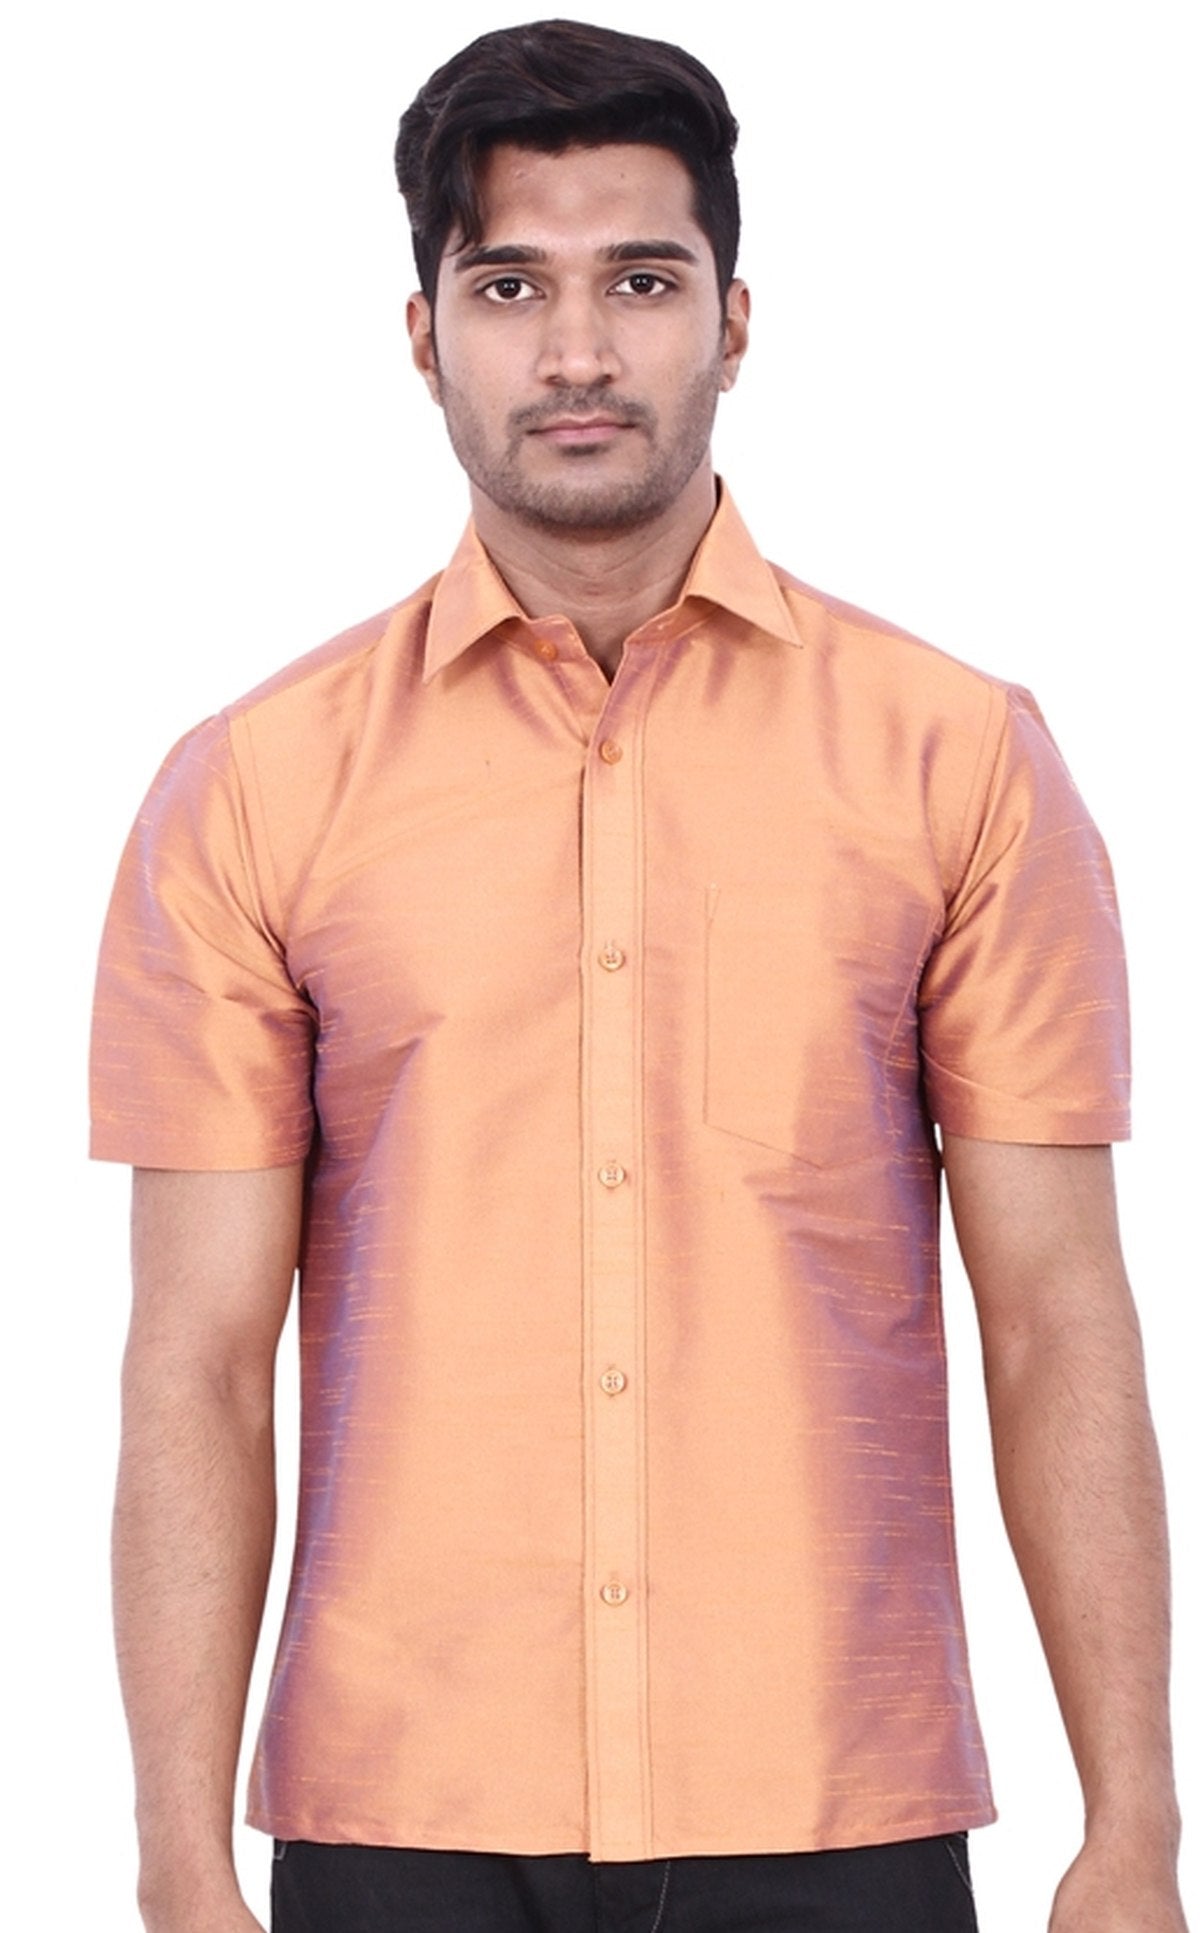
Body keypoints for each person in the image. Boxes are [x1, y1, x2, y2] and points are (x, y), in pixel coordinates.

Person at [91, 19, 1187, 1933]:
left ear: (735, 320)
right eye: (510, 286)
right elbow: (195, 1362)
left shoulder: (958, 759)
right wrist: (180, 1859)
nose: (579, 351)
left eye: (643, 282)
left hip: (831, 1791)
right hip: (402, 1802)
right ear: (424, 334)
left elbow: (1057, 1318)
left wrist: (1139, 1826)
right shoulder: (252, 787)